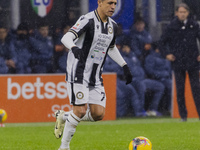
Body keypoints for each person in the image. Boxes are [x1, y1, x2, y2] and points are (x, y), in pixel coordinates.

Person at [54, 0, 132, 150]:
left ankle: (64, 117)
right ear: (100, 2)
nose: (113, 7)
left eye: (115, 3)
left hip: (95, 76)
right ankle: (64, 147)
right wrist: (74, 48)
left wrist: (124, 65)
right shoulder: (87, 20)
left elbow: (111, 48)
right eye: (110, 3)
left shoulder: (113, 26)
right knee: (80, 110)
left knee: (98, 114)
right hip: (78, 72)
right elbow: (66, 38)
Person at [159, 3, 200, 121]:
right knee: (180, 90)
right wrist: (166, 54)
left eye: (184, 12)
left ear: (188, 13)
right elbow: (161, 42)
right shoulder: (171, 26)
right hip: (178, 62)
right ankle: (183, 116)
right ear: (176, 13)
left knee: (196, 90)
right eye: (180, 12)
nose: (182, 14)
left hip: (193, 61)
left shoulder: (194, 25)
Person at [144, 43, 172, 115]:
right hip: (155, 79)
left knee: (174, 85)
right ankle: (153, 108)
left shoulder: (165, 57)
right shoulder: (151, 57)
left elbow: (169, 70)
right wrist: (161, 75)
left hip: (166, 79)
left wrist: (168, 75)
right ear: (157, 49)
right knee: (165, 86)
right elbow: (149, 70)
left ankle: (171, 108)